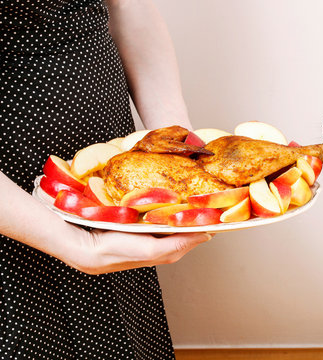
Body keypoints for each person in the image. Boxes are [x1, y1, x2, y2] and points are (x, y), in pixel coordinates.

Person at [0, 0, 210, 358]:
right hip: (11, 168)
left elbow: (130, 5)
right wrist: (77, 246)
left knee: (119, 328)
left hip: (105, 133)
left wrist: (174, 142)